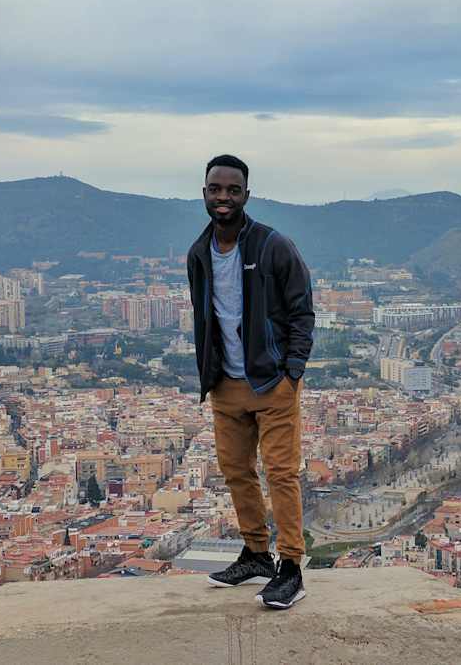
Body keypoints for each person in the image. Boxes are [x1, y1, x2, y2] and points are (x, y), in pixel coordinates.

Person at [187, 154, 314, 609]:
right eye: (215, 189)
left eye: (232, 190)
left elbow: (302, 311)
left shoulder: (272, 246)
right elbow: (208, 316)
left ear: (246, 195)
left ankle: (292, 567)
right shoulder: (199, 253)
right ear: (204, 194)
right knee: (236, 470)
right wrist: (210, 374)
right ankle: (256, 552)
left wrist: (292, 371)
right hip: (225, 384)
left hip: (271, 382)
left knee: (281, 473)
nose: (223, 198)